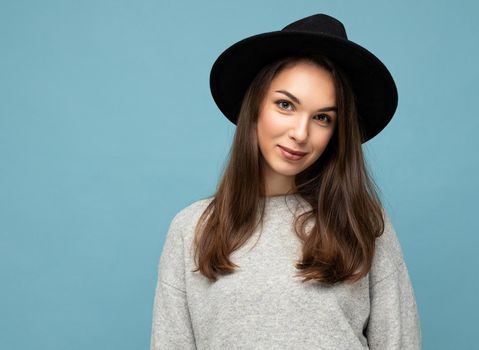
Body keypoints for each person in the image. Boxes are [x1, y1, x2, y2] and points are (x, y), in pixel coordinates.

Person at [150, 13, 421, 349]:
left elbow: (399, 343)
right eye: (285, 105)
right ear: (256, 108)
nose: (300, 133)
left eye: (322, 117)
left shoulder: (363, 221)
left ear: (336, 132)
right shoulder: (192, 229)